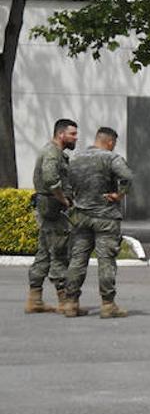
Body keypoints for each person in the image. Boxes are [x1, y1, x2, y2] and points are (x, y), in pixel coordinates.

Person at [62, 127, 134, 319]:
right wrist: (118, 195)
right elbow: (127, 176)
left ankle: (70, 303)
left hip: (80, 218)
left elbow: (66, 187)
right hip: (106, 218)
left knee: (77, 260)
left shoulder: (75, 159)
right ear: (110, 142)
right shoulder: (111, 158)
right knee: (106, 261)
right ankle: (108, 305)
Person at [26, 119, 78, 314]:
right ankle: (64, 301)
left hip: (48, 207)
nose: (76, 137)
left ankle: (35, 299)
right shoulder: (52, 153)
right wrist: (63, 199)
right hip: (53, 208)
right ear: (61, 134)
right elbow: (50, 178)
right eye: (72, 134)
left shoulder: (57, 153)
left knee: (44, 253)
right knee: (59, 252)